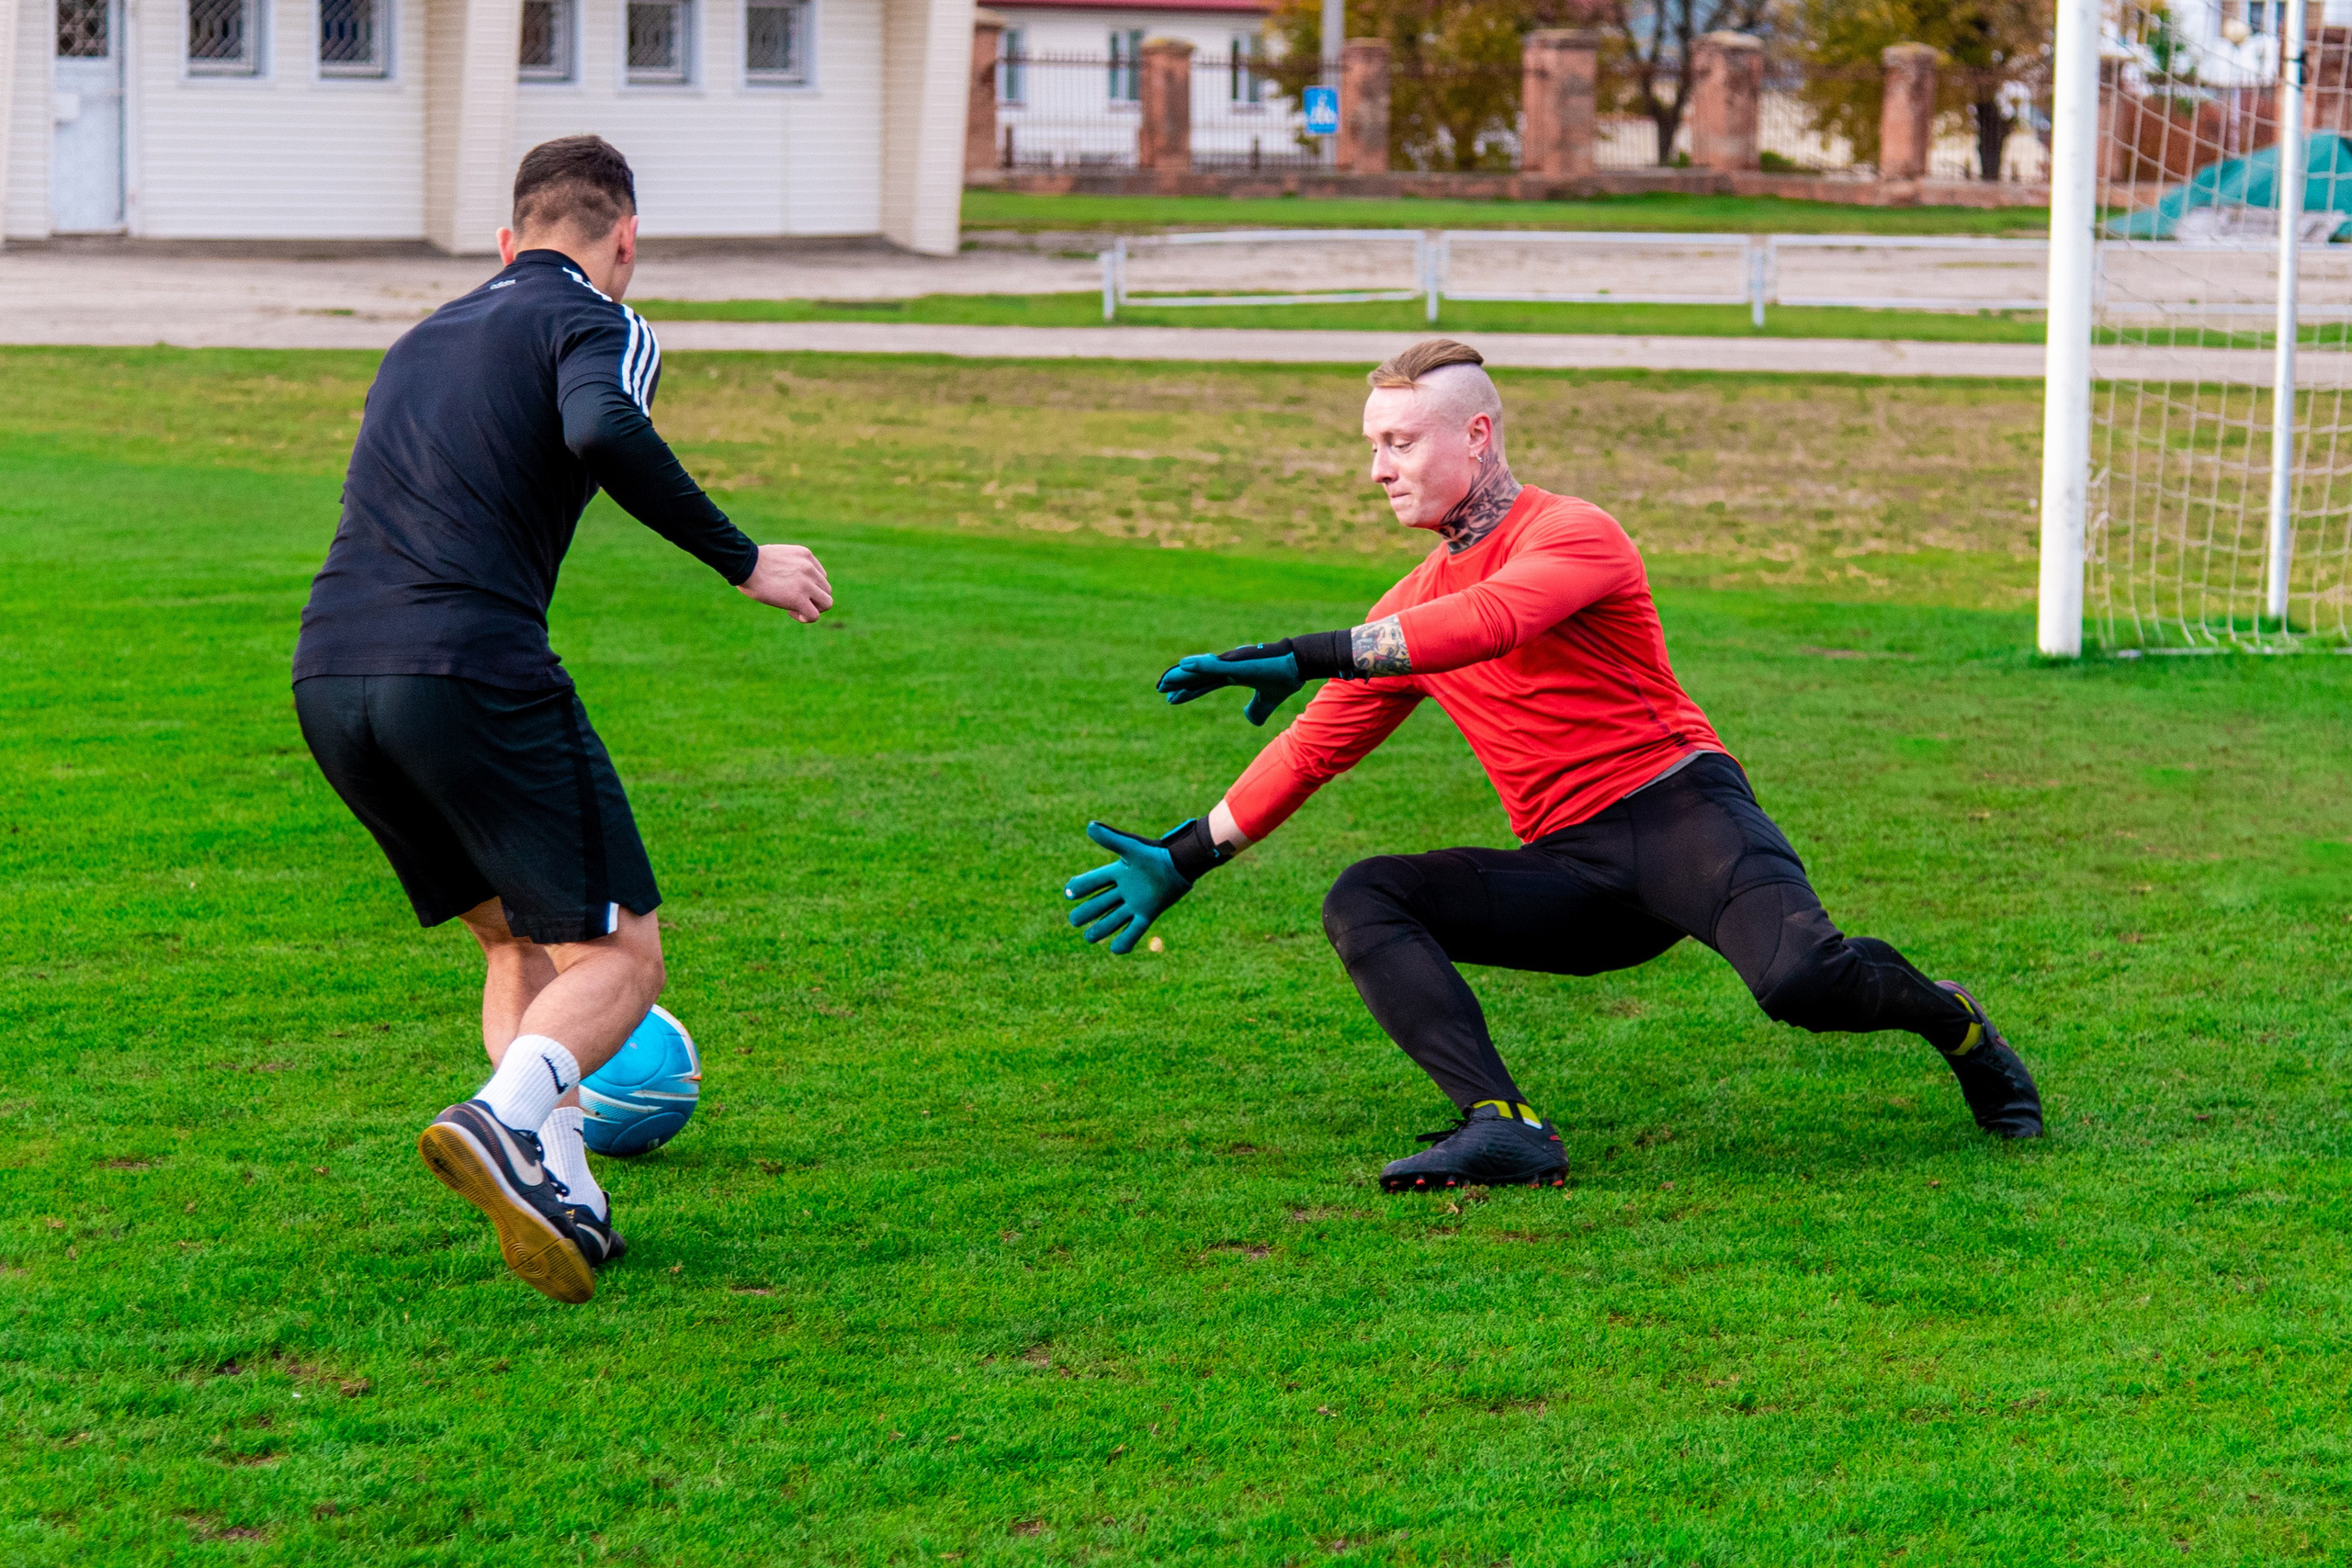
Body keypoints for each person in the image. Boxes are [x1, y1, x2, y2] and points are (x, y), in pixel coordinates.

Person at [1062, 338, 2041, 1192]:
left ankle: (1956, 1025)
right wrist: (1187, 853)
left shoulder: (1575, 533)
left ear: (1476, 436)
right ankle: (1506, 1128)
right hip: (1574, 870)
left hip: (1682, 818)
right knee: (1368, 896)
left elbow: (1490, 621)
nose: (1376, 470)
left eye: (1398, 443)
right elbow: (1315, 746)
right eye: (1372, 446)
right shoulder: (1406, 609)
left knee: (1801, 986)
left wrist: (1312, 648)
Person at [291, 135, 832, 1301]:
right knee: (623, 955)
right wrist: (743, 561)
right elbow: (600, 428)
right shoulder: (600, 318)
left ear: (504, 240)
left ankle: (559, 1179)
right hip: (467, 671)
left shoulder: (419, 336)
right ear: (624, 239)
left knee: (515, 941)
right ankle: (503, 1120)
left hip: (330, 680)